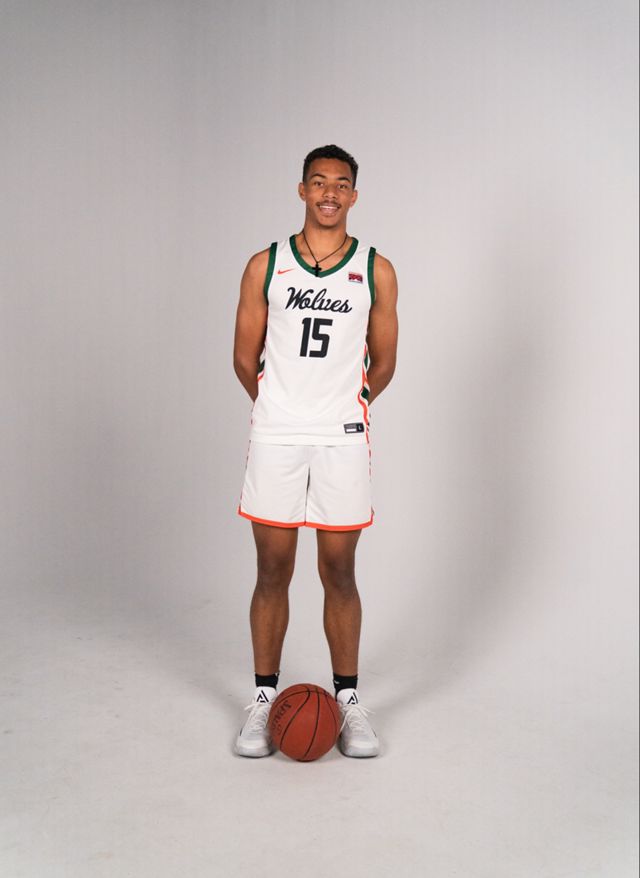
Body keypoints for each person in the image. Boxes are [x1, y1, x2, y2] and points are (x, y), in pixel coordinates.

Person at [232, 144, 398, 758]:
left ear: (354, 195)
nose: (330, 193)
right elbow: (243, 357)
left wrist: (341, 408)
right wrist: (282, 408)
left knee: (339, 570)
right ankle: (262, 699)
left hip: (341, 437)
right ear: (301, 189)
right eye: (319, 182)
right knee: (272, 568)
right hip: (277, 434)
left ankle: (349, 701)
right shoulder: (265, 265)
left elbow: (385, 363)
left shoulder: (377, 269)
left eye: (341, 184)